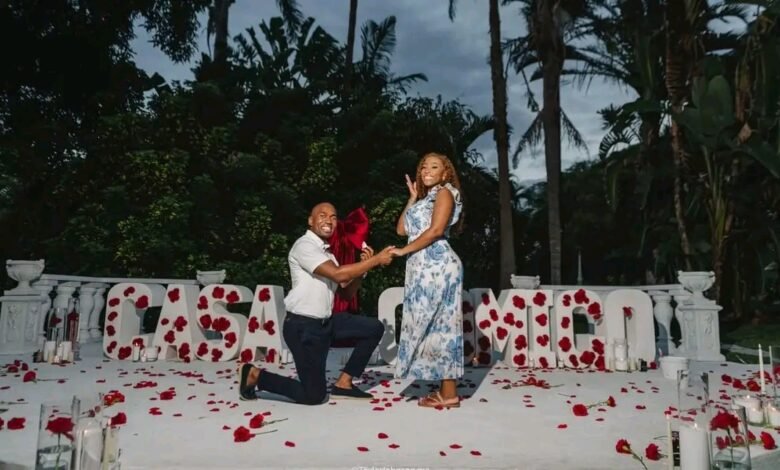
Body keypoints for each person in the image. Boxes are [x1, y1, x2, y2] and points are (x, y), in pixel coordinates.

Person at [238, 202, 395, 404]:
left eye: (333, 217)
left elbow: (346, 293)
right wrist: (375, 260)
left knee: (373, 328)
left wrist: (364, 269)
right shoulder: (304, 246)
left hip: (326, 323)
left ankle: (344, 384)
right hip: (302, 327)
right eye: (322, 215)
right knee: (313, 396)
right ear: (310, 221)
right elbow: (339, 275)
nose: (329, 220)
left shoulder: (327, 254)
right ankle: (255, 375)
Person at [392, 152, 464, 409]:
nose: (426, 171)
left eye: (434, 166)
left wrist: (403, 251)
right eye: (424, 167)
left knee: (444, 327)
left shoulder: (445, 192)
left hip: (438, 266)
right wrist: (412, 198)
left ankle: (450, 393)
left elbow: (435, 231)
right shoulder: (426, 199)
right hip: (422, 269)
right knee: (432, 326)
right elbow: (402, 229)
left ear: (445, 173)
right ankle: (446, 389)